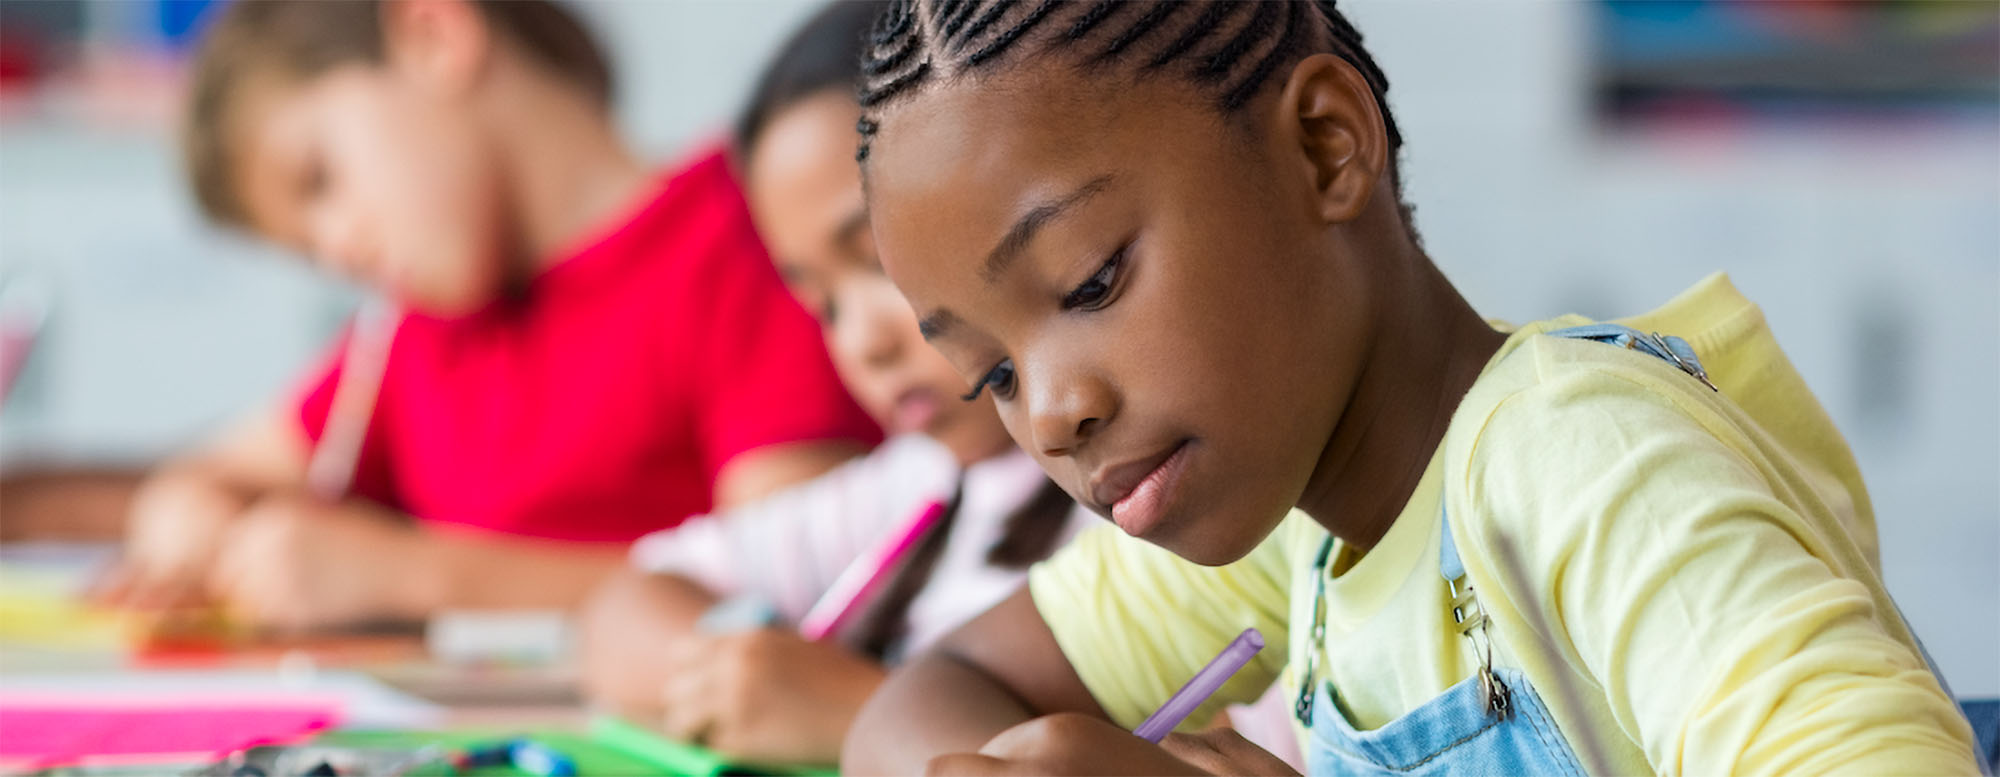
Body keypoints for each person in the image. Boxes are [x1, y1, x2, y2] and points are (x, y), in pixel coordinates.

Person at [839, 1, 1985, 774]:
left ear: (1326, 150)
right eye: (989, 372)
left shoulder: (1576, 469)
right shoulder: (1300, 533)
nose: (1047, 413)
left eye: (1090, 281)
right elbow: (938, 687)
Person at [97, 0, 878, 633]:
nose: (337, 249)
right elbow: (213, 471)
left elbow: (796, 583)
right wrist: (188, 512)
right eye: (307, 246)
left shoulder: (746, 239)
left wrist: (411, 576)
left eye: (320, 179)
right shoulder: (420, 332)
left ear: (434, 34)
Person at [576, 3, 1088, 765]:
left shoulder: (1136, 497)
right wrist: (746, 663)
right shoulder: (925, 485)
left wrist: (854, 709)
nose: (862, 340)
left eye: (880, 262)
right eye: (822, 301)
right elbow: (622, 609)